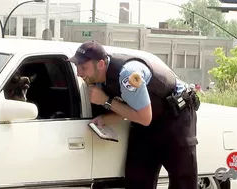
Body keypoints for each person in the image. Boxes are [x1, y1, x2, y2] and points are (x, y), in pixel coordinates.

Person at [68, 40, 200, 189]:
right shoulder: (97, 78)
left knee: (183, 181)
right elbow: (131, 107)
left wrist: (105, 100)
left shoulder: (128, 75)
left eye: (83, 67)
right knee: (137, 179)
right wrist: (105, 119)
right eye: (77, 67)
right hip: (146, 120)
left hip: (175, 116)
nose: (79, 73)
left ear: (100, 65)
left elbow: (144, 117)